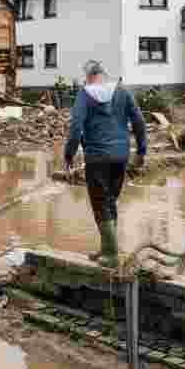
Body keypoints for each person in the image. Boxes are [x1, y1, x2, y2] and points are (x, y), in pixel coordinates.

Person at [63, 60, 148, 267]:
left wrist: (68, 156)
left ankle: (110, 254)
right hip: (121, 156)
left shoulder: (85, 95)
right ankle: (107, 248)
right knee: (110, 201)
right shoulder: (122, 92)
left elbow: (75, 129)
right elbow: (139, 123)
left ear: (89, 77)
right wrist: (141, 153)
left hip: (97, 157)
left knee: (100, 203)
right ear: (104, 74)